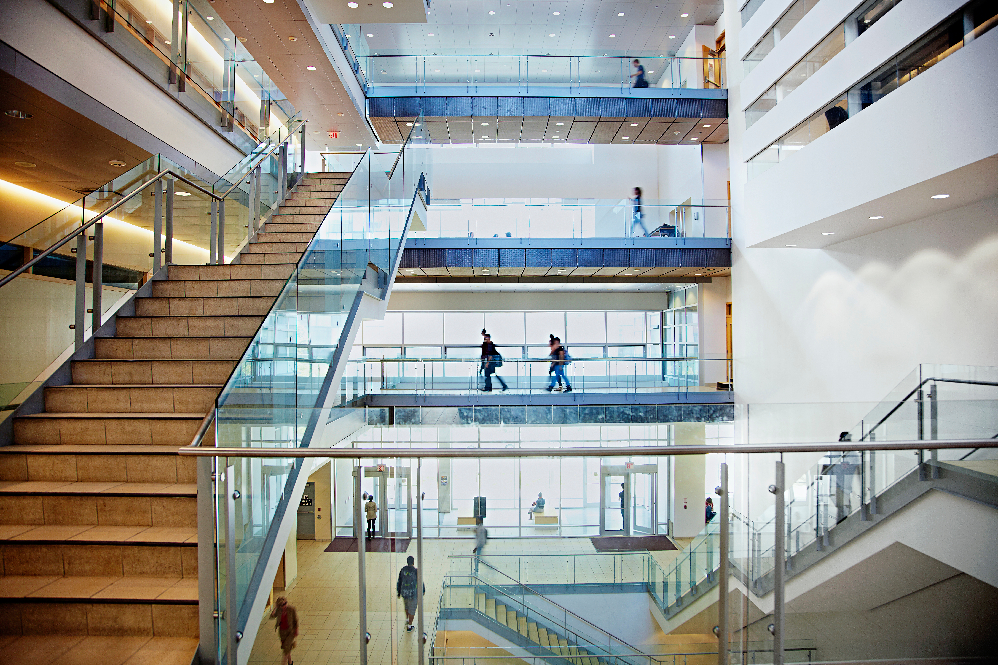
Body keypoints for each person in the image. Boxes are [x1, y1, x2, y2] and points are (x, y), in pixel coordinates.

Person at [396, 555, 424, 632]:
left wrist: (399, 592)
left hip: (404, 593)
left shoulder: (403, 570)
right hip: (412, 594)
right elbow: (420, 581)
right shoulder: (415, 571)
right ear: (413, 562)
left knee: (407, 606)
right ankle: (409, 626)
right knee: (412, 609)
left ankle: (407, 619)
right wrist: (423, 591)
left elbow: (399, 581)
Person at [271, 596, 298, 665]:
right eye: (283, 604)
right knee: (287, 649)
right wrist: (275, 607)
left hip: (290, 632)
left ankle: (283, 663)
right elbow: (272, 616)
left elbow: (295, 620)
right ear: (279, 606)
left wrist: (296, 630)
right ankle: (290, 662)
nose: (285, 605)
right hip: (282, 632)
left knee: (286, 649)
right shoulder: (279, 611)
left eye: (285, 603)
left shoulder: (291, 609)